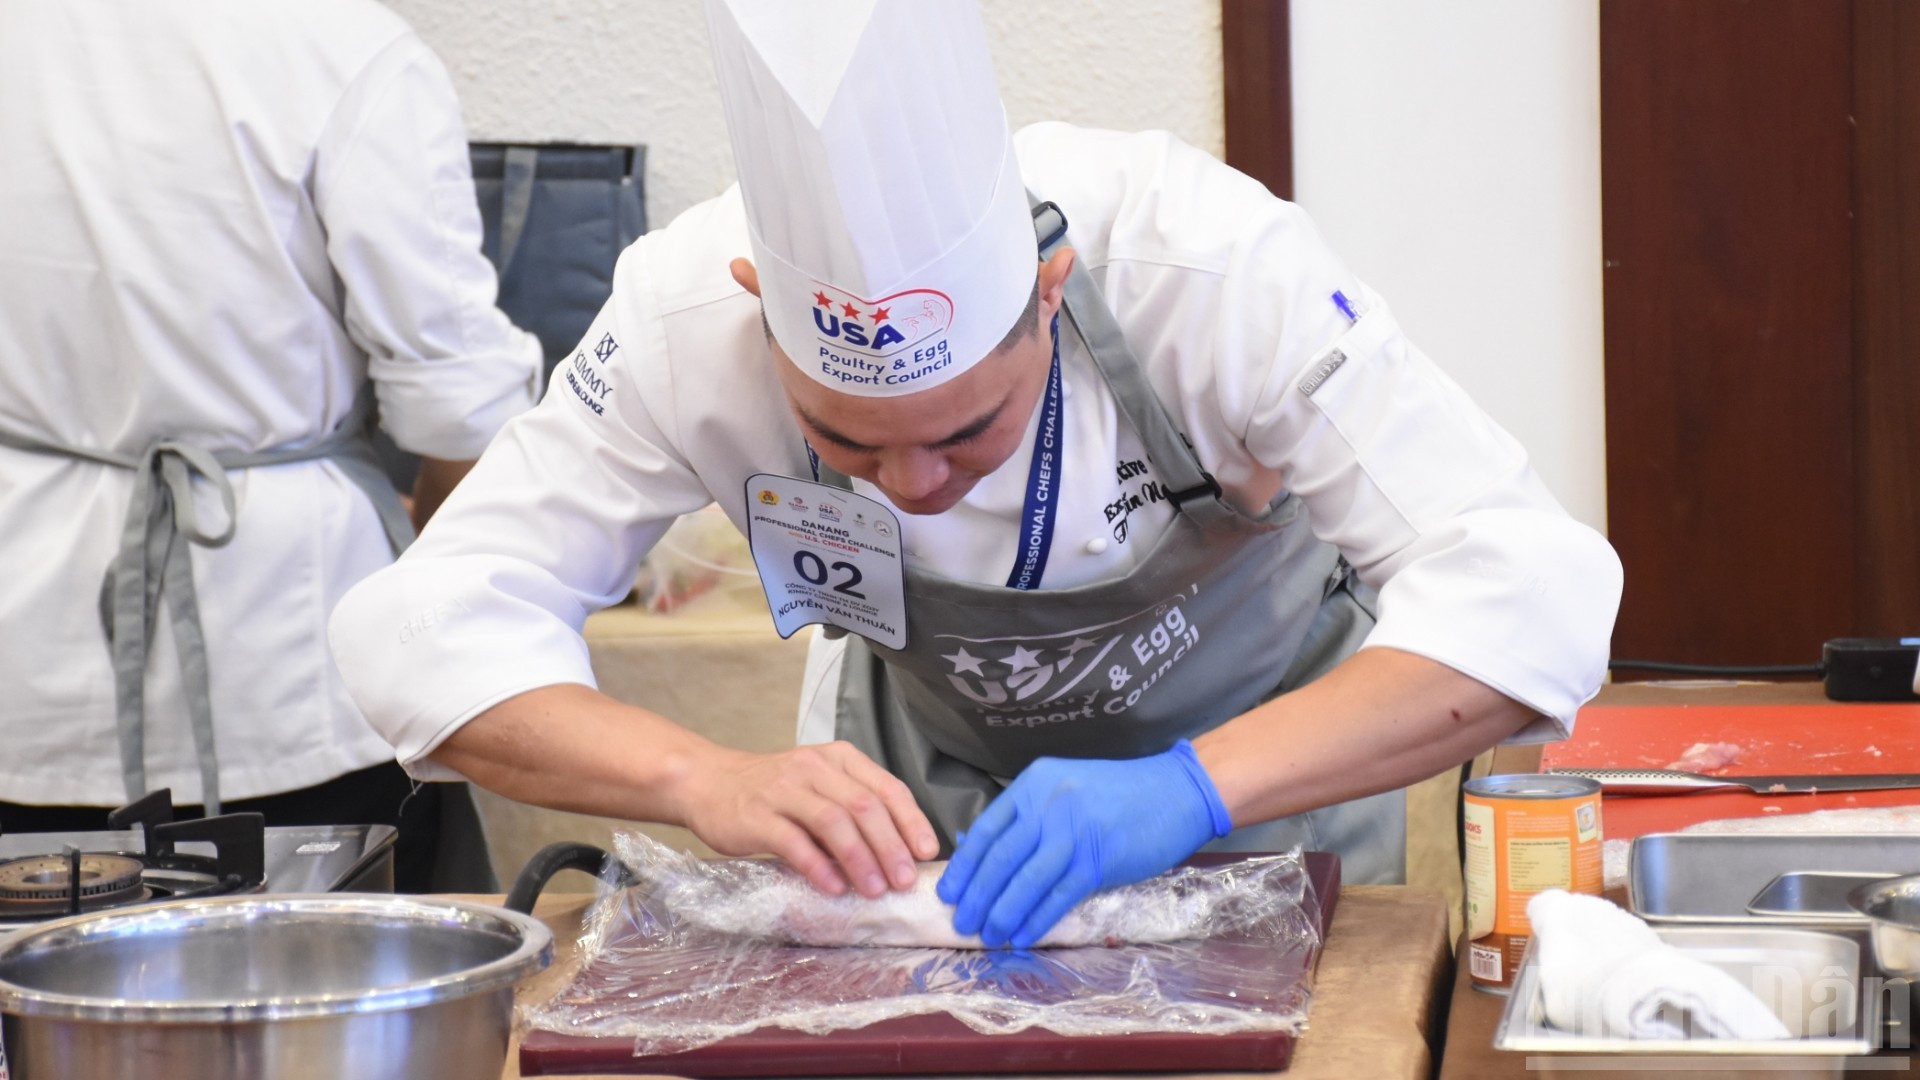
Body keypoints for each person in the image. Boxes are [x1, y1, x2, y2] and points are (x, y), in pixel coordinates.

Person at [331, 0, 1622, 942]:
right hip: (923, 849)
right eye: (844, 441)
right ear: (755, 312)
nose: (912, 483)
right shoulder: (682, 320)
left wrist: (1191, 787)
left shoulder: (1207, 266)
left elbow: (1535, 594)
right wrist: (699, 778)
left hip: (1272, 812)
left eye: (967, 431)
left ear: (1049, 298)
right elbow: (422, 632)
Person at [0, 0, 541, 891]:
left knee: (33, 1012)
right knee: (321, 1010)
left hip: (30, 659)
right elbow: (461, 411)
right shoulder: (344, 49)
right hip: (290, 664)